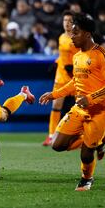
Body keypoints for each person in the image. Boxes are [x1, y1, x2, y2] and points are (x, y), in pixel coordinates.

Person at [39, 13, 105, 191]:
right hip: (80, 108)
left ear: (87, 34)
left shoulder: (102, 56)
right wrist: (54, 94)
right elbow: (75, 82)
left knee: (86, 152)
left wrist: (90, 98)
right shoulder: (77, 56)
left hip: (100, 111)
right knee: (57, 145)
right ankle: (99, 140)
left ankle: (86, 178)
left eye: (75, 33)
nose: (71, 37)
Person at [43, 10, 79, 146]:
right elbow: (63, 56)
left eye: (70, 21)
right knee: (56, 106)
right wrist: (57, 62)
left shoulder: (78, 37)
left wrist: (74, 68)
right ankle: (51, 136)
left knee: (80, 107)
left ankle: (80, 135)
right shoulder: (61, 37)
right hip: (61, 77)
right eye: (65, 21)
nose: (67, 23)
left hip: (76, 78)